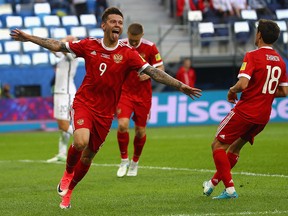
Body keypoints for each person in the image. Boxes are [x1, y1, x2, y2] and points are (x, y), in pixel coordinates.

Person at [10, 7, 202, 209]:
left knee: (89, 155)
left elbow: (153, 72)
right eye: (113, 22)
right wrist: (29, 37)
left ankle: (70, 191)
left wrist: (180, 85)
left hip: (106, 112)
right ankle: (67, 173)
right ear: (104, 25)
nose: (117, 25)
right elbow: (58, 45)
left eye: (120, 22)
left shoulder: (128, 54)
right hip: (84, 102)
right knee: (81, 141)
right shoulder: (89, 45)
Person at [202, 19, 288, 199]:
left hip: (246, 111)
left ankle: (230, 189)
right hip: (263, 116)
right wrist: (263, 92)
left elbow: (242, 84)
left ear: (259, 35)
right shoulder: (280, 61)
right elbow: (283, 91)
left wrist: (231, 90)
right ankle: (213, 183)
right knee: (233, 149)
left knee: (217, 145)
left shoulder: (252, 55)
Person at [116, 23, 164, 177]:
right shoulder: (120, 45)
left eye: (136, 40)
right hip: (124, 93)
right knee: (123, 125)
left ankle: (135, 162)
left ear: (142, 35)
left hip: (143, 96)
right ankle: (124, 160)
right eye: (131, 40)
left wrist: (149, 74)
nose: (134, 43)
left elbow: (160, 69)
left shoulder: (150, 47)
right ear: (127, 35)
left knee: (140, 131)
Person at [47, 35, 79, 163]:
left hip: (66, 93)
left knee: (63, 125)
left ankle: (86, 141)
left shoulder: (73, 54)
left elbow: (61, 48)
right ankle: (61, 153)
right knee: (62, 126)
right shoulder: (62, 56)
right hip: (60, 92)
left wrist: (65, 40)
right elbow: (54, 49)